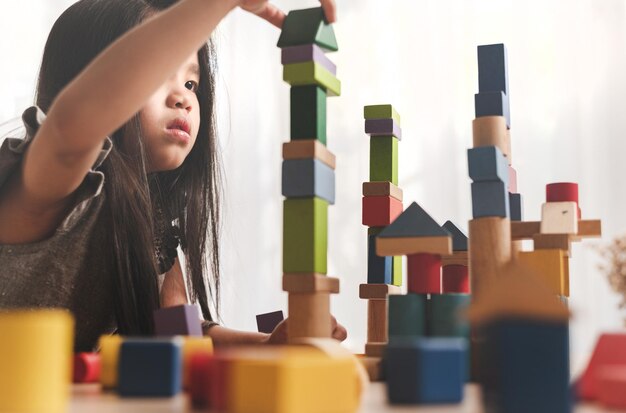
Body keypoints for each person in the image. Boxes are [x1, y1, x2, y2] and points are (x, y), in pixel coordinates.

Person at [0, 0, 346, 352]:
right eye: (159, 72)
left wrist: (269, 344)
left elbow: (178, 329)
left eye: (192, 83)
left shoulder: (153, 218)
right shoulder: (47, 182)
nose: (184, 98)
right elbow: (74, 122)